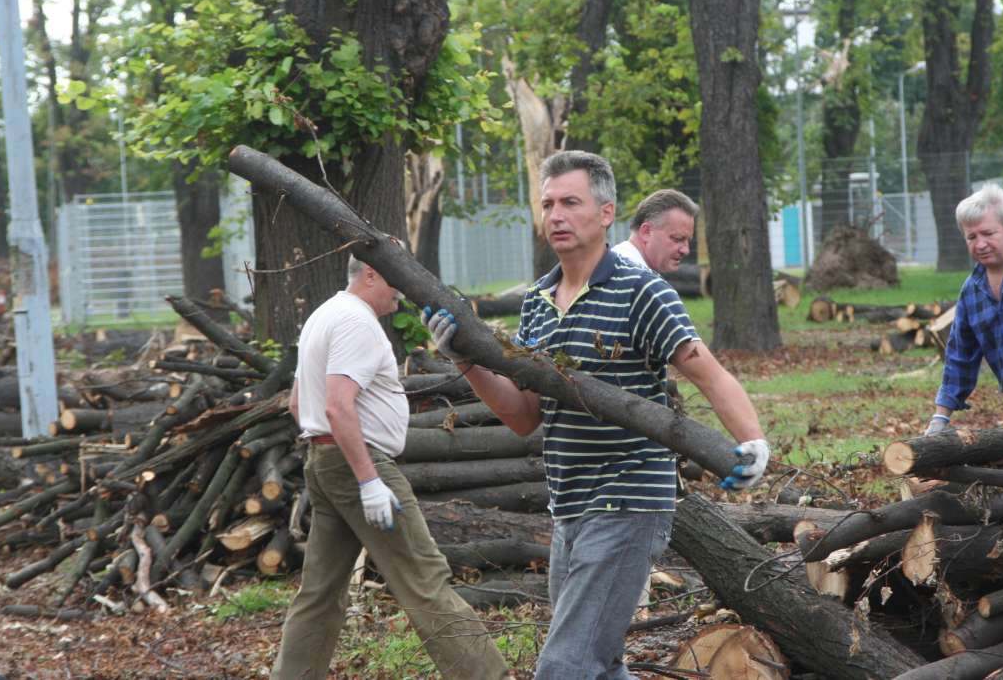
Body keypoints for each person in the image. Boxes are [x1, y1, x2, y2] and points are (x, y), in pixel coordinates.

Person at [422, 151, 770, 679]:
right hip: (569, 506)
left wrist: (753, 440)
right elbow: (524, 417)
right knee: (599, 666)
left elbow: (709, 373)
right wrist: (464, 359)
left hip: (629, 501)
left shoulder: (642, 291)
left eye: (570, 202)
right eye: (547, 204)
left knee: (565, 666)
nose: (556, 215)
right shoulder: (537, 301)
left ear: (606, 213)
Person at [271, 256, 510, 680]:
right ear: (371, 274)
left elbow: (296, 403)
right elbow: (337, 406)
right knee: (425, 578)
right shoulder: (356, 322)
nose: (402, 288)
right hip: (359, 464)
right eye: (395, 276)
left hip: (325, 461)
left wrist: (333, 458)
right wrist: (368, 480)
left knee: (320, 594)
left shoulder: (324, 315)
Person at [925, 183, 1003, 436]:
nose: (980, 244)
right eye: (972, 237)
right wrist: (940, 417)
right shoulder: (972, 291)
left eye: (988, 233)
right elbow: (960, 355)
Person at [611, 188, 697, 274]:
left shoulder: (615, 264)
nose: (686, 250)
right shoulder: (634, 277)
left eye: (688, 241)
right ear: (646, 232)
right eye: (677, 239)